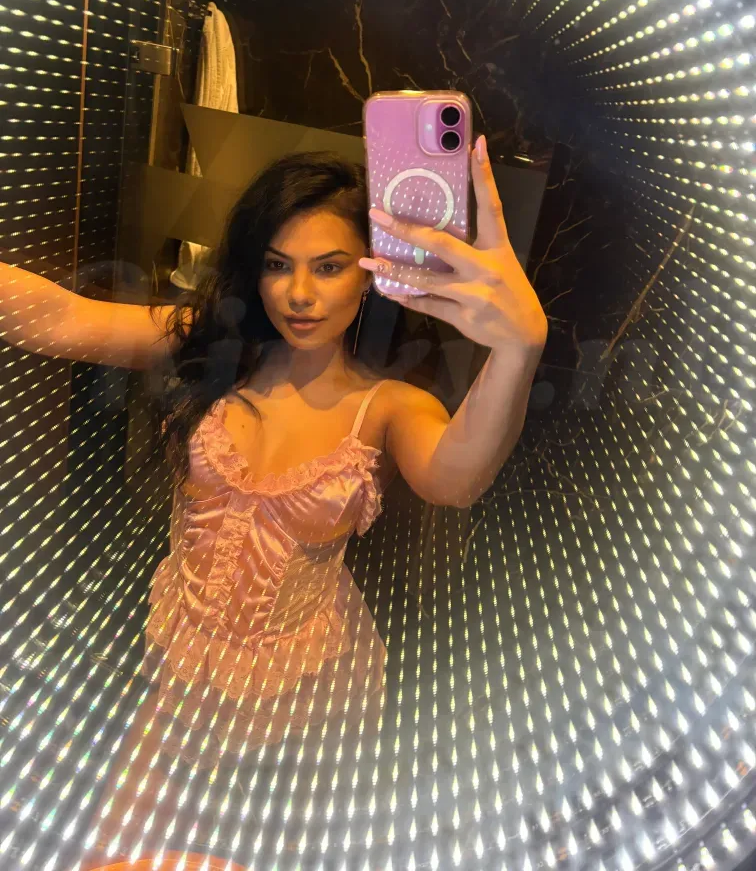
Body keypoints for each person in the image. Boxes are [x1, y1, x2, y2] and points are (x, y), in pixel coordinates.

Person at [0, 138, 547, 861]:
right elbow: (62, 319)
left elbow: (456, 479)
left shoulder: (386, 406)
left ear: (370, 274)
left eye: (330, 266)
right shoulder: (211, 347)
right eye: (277, 264)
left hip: (302, 706)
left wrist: (519, 347)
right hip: (186, 680)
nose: (299, 293)